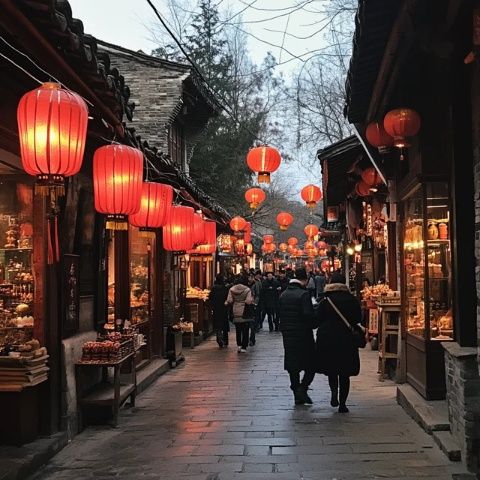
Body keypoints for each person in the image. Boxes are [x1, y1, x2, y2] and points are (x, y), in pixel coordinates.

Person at [315, 272, 363, 413]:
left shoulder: (325, 301)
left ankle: (333, 393)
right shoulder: (352, 299)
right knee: (344, 371)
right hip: (346, 338)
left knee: (332, 369)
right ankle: (343, 404)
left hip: (328, 338)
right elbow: (357, 318)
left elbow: (318, 319)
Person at [278, 268, 317, 405]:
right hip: (303, 334)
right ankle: (302, 388)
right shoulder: (304, 294)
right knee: (311, 364)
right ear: (305, 279)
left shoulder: (283, 294)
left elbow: (280, 314)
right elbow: (308, 315)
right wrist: (315, 320)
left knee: (293, 365)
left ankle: (296, 393)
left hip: (288, 335)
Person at [225, 275, 254, 353]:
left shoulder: (232, 289)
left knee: (238, 329)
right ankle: (244, 347)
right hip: (245, 312)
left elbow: (229, 300)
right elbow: (248, 301)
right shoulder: (247, 290)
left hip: (236, 310)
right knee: (245, 330)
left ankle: (239, 345)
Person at [209, 274, 230, 348]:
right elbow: (228, 298)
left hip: (216, 309)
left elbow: (210, 298)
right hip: (224, 309)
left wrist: (212, 306)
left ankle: (219, 338)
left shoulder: (214, 288)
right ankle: (226, 341)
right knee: (224, 325)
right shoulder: (225, 288)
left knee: (218, 325)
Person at [247, 273, 260, 346]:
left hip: (252, 305)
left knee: (252, 324)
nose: (250, 279)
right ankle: (248, 339)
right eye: (249, 278)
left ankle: (252, 339)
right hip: (246, 305)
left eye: (251, 278)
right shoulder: (245, 285)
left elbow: (257, 294)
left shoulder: (256, 284)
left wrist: (255, 303)